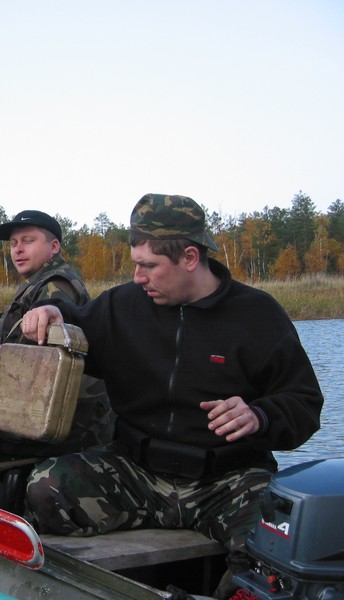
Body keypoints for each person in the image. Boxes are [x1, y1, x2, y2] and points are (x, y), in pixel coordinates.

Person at [19, 194, 324, 598]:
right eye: (135, 265)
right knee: (45, 486)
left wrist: (260, 415)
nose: (139, 277)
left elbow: (304, 403)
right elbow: (76, 318)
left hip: (227, 482)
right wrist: (54, 312)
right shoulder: (122, 305)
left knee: (277, 541)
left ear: (191, 258)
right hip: (136, 474)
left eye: (149, 266)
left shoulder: (257, 315)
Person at [0, 209, 114, 455]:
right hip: (34, 413)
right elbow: (16, 340)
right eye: (13, 243)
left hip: (58, 425)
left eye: (28, 241)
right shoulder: (39, 283)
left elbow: (46, 370)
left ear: (54, 247)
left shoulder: (55, 288)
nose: (17, 249)